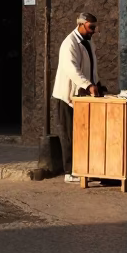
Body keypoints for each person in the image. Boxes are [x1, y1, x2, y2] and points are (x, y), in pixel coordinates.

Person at [52, 13, 104, 183]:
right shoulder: (69, 43)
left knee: (82, 133)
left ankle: (83, 167)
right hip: (67, 95)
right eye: (91, 27)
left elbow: (91, 66)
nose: (94, 31)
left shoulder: (88, 42)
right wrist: (88, 85)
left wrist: (96, 83)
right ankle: (70, 171)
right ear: (81, 25)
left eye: (95, 27)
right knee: (69, 134)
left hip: (82, 96)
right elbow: (71, 69)